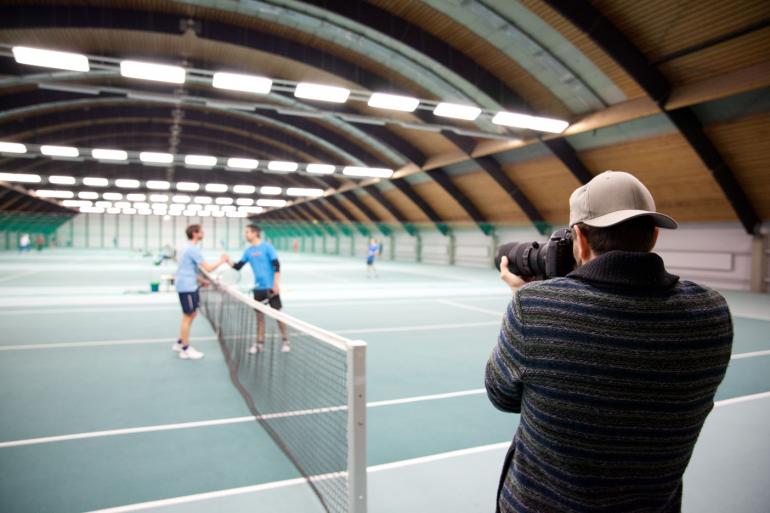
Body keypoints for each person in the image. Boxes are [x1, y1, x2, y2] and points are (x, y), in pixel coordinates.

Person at [486, 171, 733, 513]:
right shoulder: (712, 311)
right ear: (655, 234)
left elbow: (502, 396)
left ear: (581, 239)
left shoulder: (534, 308)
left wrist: (527, 298)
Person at [230, 224, 289, 353]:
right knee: (259, 318)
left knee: (278, 316)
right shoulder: (248, 251)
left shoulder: (267, 247)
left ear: (255, 233)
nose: (245, 235)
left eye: (247, 232)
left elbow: (276, 265)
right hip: (258, 289)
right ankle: (259, 343)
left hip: (271, 288)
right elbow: (238, 266)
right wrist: (227, 261)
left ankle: (285, 340)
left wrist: (276, 284)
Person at [173, 224, 229, 360]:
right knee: (189, 315)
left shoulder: (184, 248)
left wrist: (201, 280)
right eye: (201, 232)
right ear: (195, 234)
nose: (203, 233)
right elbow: (208, 268)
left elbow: (187, 268)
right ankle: (185, 349)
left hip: (186, 284)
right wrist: (222, 260)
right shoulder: (192, 249)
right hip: (187, 287)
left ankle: (180, 343)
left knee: (192, 314)